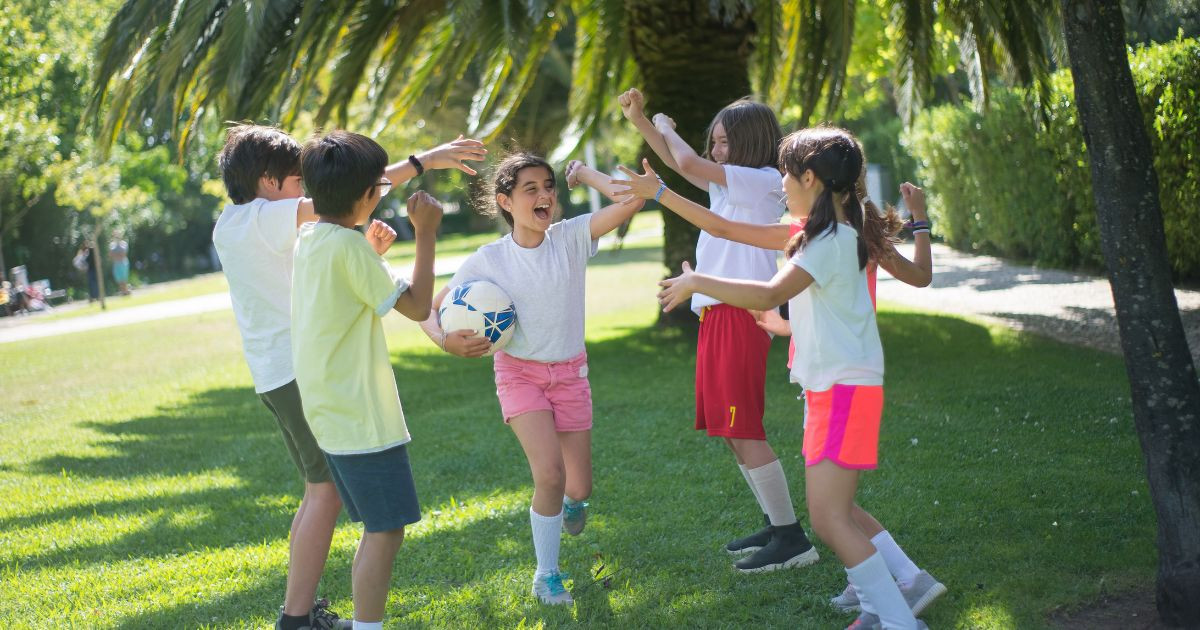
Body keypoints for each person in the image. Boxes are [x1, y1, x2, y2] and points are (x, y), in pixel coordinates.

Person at [612, 157, 945, 618]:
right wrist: (662, 194)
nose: (780, 182)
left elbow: (768, 288)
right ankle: (885, 600)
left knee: (831, 516)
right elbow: (727, 230)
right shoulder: (823, 234)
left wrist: (696, 280)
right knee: (836, 511)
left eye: (787, 174)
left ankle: (895, 614)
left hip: (841, 385)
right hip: (828, 380)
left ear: (812, 179)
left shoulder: (829, 238)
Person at [212, 123, 484, 630]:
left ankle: (300, 613)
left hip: (282, 373)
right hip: (307, 375)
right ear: (269, 182)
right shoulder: (268, 219)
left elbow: (344, 202)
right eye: (298, 180)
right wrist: (424, 166)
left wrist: (370, 253)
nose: (305, 191)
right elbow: (344, 193)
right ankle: (297, 618)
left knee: (321, 491)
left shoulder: (237, 225)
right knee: (329, 495)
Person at [419, 152, 644, 605]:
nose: (545, 195)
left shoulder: (571, 237)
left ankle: (572, 506)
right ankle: (547, 575)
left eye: (549, 186)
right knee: (550, 475)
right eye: (531, 189)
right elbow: (425, 304)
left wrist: (585, 174)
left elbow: (631, 199)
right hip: (518, 375)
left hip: (570, 373)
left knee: (578, 487)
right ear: (505, 201)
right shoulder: (488, 259)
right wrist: (444, 340)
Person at [614, 87, 815, 574]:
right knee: (730, 429)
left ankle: (791, 539)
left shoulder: (760, 179)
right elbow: (683, 164)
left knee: (742, 425)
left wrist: (664, 124)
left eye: (723, 142)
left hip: (738, 311)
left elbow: (684, 158)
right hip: (718, 312)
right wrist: (641, 119)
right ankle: (776, 522)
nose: (715, 151)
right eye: (714, 142)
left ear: (748, 142)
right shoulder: (734, 185)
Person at [291, 131, 444, 630]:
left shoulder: (314, 238)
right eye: (379, 185)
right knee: (385, 530)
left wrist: (372, 255)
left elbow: (342, 299)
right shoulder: (349, 249)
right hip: (360, 415)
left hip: (331, 410)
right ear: (367, 196)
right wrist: (426, 232)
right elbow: (419, 306)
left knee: (380, 527)